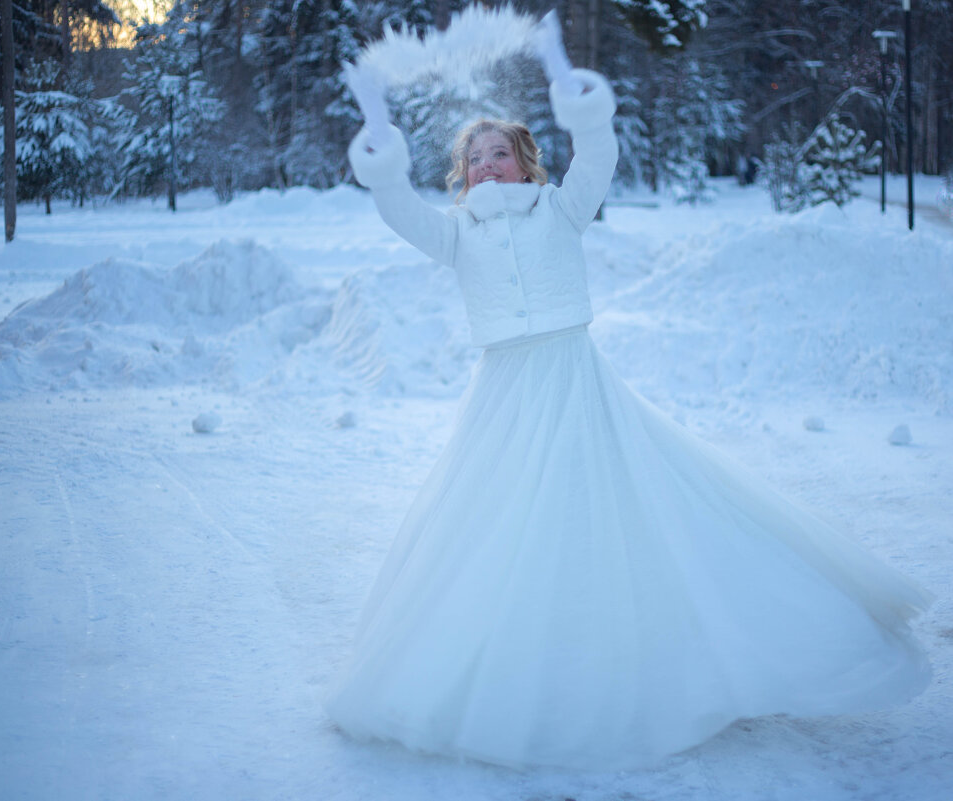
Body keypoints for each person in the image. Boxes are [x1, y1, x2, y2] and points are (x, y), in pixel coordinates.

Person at [325, 68, 931, 771]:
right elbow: (398, 209)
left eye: (499, 151)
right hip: (504, 391)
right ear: (461, 176)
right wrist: (382, 157)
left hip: (572, 376)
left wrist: (586, 118)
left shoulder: (559, 209)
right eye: (473, 157)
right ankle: (527, 657)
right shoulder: (455, 232)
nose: (486, 163)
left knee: (597, 512)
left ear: (525, 159)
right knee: (499, 523)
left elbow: (598, 161)